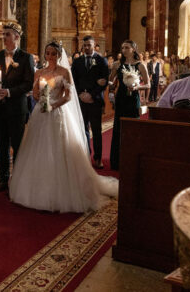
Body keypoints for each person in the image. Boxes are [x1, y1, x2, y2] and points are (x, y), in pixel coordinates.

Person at [9, 41, 118, 212]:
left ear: (59, 55)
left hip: (58, 112)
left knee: (59, 149)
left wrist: (53, 105)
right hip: (41, 114)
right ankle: (35, 189)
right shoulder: (39, 72)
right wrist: (42, 101)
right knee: (38, 148)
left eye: (53, 53)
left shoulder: (64, 72)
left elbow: (68, 97)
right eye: (48, 53)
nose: (50, 56)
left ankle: (62, 190)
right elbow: (36, 93)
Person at [0, 22, 35, 191]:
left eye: (7, 34)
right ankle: (3, 179)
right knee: (1, 145)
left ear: (16, 36)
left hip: (16, 109)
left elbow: (29, 84)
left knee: (17, 145)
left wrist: (8, 92)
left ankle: (19, 180)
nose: (4, 37)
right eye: (3, 34)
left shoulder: (25, 57)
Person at [109, 40, 149, 171]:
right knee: (118, 128)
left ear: (133, 49)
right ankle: (117, 161)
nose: (124, 50)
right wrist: (109, 86)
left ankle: (131, 160)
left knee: (132, 128)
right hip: (121, 98)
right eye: (122, 48)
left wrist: (137, 87)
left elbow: (148, 84)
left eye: (126, 47)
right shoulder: (117, 64)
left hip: (133, 99)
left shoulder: (140, 65)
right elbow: (111, 80)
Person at [71, 36, 109, 168]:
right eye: (85, 45)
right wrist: (81, 94)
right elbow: (73, 81)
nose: (86, 47)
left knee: (97, 130)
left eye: (89, 45)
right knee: (83, 129)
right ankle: (86, 155)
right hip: (81, 100)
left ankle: (98, 158)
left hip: (95, 100)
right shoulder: (77, 61)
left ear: (94, 45)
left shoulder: (101, 60)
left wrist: (91, 94)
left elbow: (104, 81)